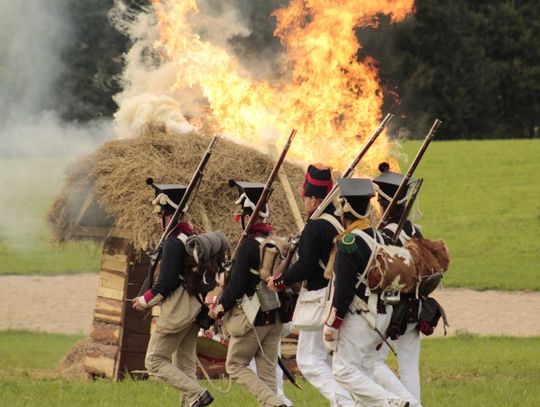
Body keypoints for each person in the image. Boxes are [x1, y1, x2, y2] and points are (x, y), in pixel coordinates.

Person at [323, 177, 417, 407]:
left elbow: (343, 291)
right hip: (381, 315)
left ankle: (392, 401)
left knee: (342, 371)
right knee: (363, 372)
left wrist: (332, 324)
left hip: (360, 317)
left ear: (345, 207)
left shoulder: (349, 242)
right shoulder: (380, 236)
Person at [268, 165, 354, 407]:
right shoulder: (337, 221)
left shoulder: (315, 227)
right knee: (324, 360)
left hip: (319, 296)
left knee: (308, 361)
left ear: (315, 199)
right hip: (334, 294)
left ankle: (347, 403)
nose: (303, 200)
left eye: (305, 197)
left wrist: (280, 280)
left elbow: (305, 267)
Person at [132, 182, 213, 407]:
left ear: (171, 215)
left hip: (178, 311)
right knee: (185, 366)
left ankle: (197, 394)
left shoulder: (173, 243)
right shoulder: (190, 237)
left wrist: (144, 300)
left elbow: (166, 282)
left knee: (154, 360)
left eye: (162, 215)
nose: (159, 220)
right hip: (194, 309)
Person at [209, 181, 286, 407]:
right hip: (277, 317)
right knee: (267, 372)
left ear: (247, 216)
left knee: (235, 365)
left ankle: (274, 402)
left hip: (254, 317)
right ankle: (273, 401)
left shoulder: (249, 246)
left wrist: (219, 308)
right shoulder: (275, 241)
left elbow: (237, 287)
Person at [372, 163, 424, 404]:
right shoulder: (414, 230)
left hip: (391, 309)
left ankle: (406, 403)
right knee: (409, 367)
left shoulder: (384, 234)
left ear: (383, 202)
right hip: (415, 306)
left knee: (370, 362)